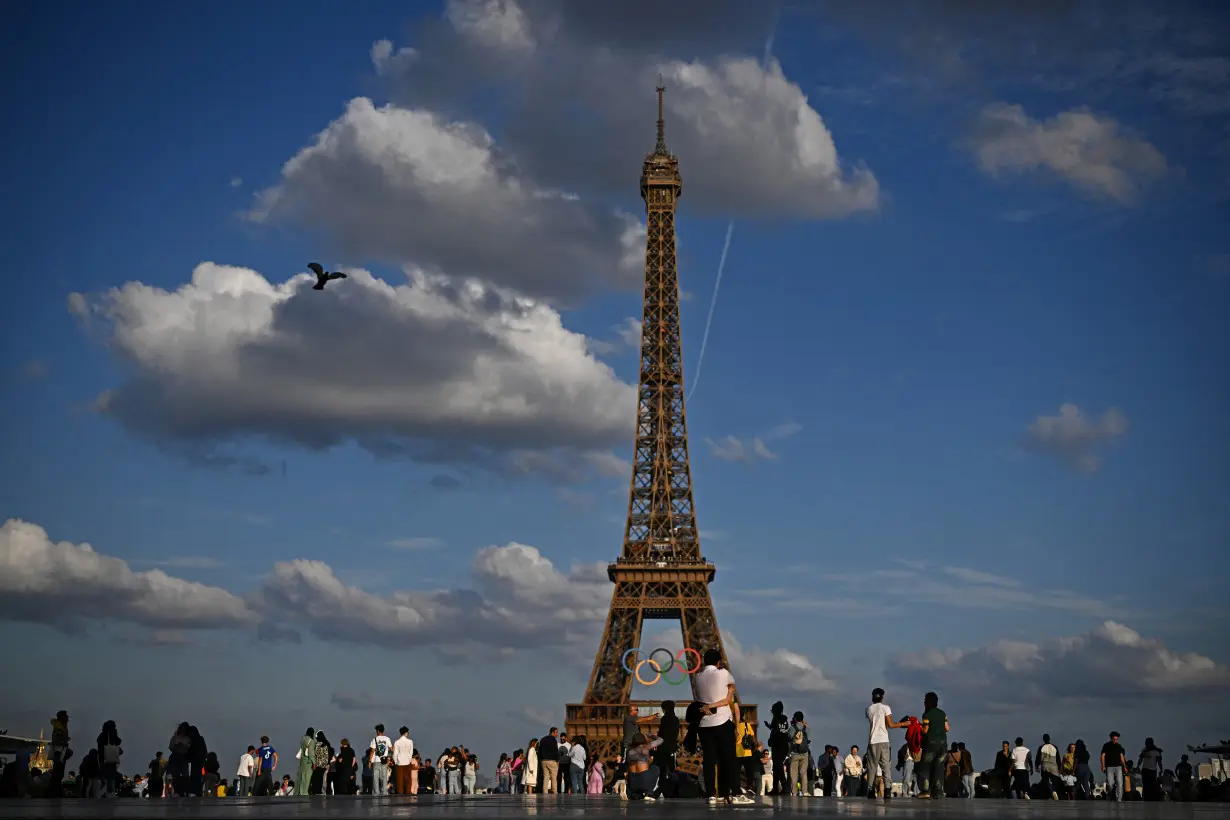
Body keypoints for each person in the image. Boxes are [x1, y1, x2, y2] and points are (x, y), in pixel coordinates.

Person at [694, 648, 754, 805]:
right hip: (721, 722)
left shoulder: (697, 677)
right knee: (729, 760)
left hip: (704, 723)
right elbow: (729, 697)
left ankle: (712, 795)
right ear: (718, 661)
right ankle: (734, 793)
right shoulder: (724, 673)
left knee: (709, 759)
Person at [865, 688, 910, 799]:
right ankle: (888, 790)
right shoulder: (886, 708)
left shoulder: (869, 709)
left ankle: (870, 789)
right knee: (886, 765)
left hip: (872, 741)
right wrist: (904, 723)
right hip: (884, 740)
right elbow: (890, 724)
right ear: (882, 697)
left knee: (872, 766)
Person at [916, 691, 948, 799]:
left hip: (931, 744)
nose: (924, 702)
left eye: (925, 700)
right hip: (943, 745)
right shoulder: (943, 713)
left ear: (929, 702)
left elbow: (925, 730)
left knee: (926, 767)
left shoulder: (927, 714)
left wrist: (917, 727)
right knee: (939, 768)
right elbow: (947, 728)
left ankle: (925, 791)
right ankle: (938, 791)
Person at [622, 732, 663, 801]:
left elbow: (627, 764)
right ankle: (648, 793)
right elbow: (661, 740)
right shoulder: (646, 747)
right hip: (644, 780)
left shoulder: (629, 751)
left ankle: (632, 793)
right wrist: (650, 735)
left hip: (632, 781)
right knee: (655, 768)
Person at [295, 728, 315, 796]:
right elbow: (311, 753)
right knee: (306, 777)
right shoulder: (311, 741)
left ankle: (297, 792)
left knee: (300, 776)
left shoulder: (303, 739)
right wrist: (314, 762)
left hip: (302, 760)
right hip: (308, 761)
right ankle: (303, 792)